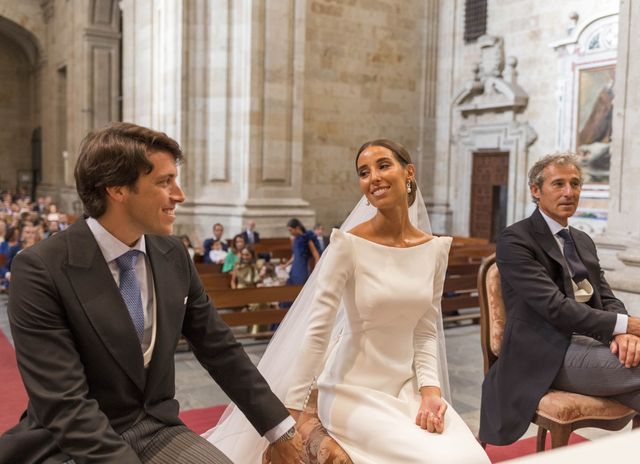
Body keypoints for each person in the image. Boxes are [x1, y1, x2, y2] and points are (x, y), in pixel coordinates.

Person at [0, 122, 301, 464]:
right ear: (117, 189)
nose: (180, 195)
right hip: (70, 441)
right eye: (164, 182)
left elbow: (221, 349)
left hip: (156, 428)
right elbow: (64, 403)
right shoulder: (41, 268)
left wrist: (280, 429)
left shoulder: (172, 255)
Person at [206, 139, 489, 463]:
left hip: (406, 388)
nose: (374, 177)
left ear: (408, 172)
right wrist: (293, 412)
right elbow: (318, 332)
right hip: (350, 391)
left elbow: (425, 331)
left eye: (384, 165)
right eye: (364, 172)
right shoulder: (348, 245)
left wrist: (430, 392)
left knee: (471, 458)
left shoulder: (434, 250)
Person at [479, 153, 640, 446]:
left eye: (575, 183)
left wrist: (625, 333)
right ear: (536, 190)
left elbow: (604, 294)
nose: (569, 192)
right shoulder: (515, 240)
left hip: (590, 342)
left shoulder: (582, 239)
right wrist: (625, 325)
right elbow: (555, 308)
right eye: (559, 184)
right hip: (544, 351)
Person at [282, 218, 320, 286]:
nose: (290, 232)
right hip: (294, 268)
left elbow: (316, 254)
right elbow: (294, 255)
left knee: (300, 287)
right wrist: (286, 265)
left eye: (291, 230)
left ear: (297, 228)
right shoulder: (295, 239)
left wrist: (316, 269)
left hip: (302, 269)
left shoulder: (306, 238)